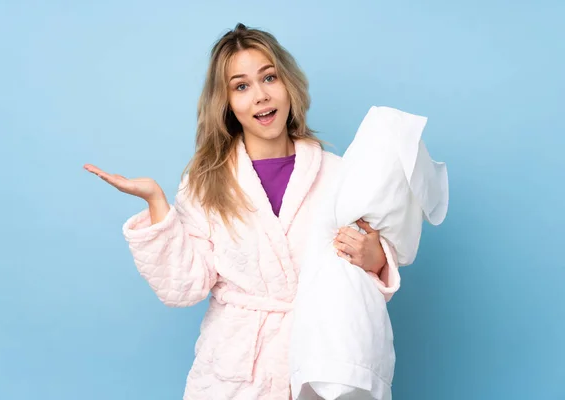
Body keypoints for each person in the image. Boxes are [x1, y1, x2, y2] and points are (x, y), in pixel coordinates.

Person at [84, 23, 400, 400]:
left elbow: (361, 282)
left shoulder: (337, 174)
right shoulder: (206, 182)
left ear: (289, 85)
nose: (261, 96)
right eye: (242, 86)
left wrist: (377, 259)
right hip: (233, 375)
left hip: (317, 360)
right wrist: (156, 203)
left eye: (269, 77)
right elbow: (184, 287)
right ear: (228, 103)